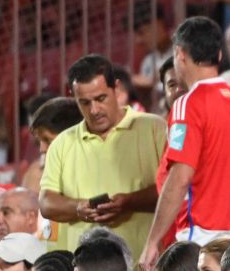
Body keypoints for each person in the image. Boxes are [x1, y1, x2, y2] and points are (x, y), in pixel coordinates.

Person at [141, 18, 230, 271]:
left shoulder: (187, 104)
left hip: (201, 241)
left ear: (179, 54)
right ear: (219, 55)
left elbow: (180, 176)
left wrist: (152, 242)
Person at [40, 55, 167, 260]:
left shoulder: (155, 129)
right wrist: (78, 208)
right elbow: (46, 203)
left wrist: (129, 202)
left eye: (100, 99)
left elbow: (173, 191)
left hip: (143, 268)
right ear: (73, 97)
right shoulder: (62, 143)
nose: (94, 110)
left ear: (116, 89)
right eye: (84, 103)